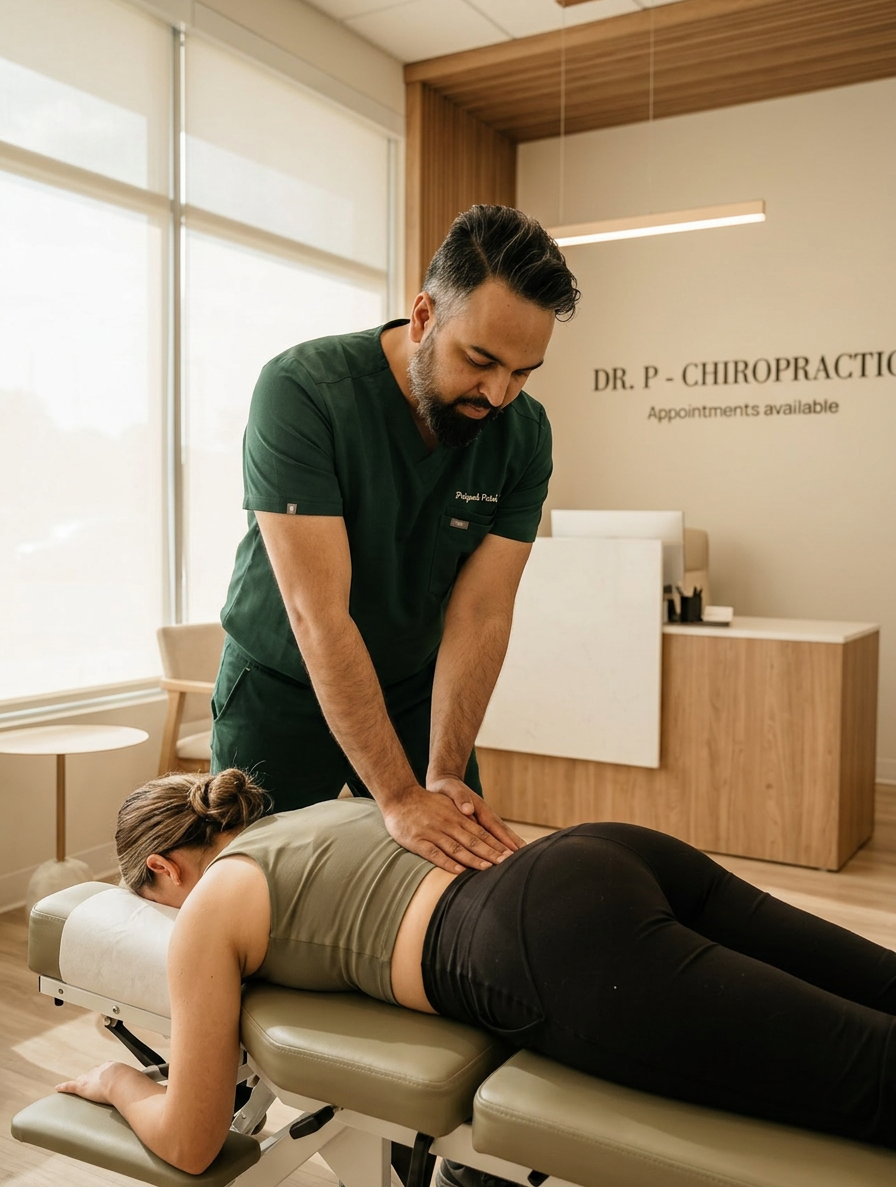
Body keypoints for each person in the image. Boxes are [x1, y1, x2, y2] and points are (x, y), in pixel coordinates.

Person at [58, 770, 896, 1177]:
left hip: (559, 947)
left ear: (162, 870)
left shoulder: (207, 909)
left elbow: (191, 1141)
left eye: (154, 899)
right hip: (601, 851)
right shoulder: (310, 815)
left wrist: (118, 1081)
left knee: (871, 1080)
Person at [211, 204, 579, 879]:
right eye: (481, 360)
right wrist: (399, 796)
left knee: (457, 877)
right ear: (422, 317)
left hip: (415, 684)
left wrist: (438, 773)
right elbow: (318, 614)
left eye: (524, 372)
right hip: (282, 687)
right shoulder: (303, 390)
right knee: (257, 890)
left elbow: (482, 610)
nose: (498, 393)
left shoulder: (524, 434)